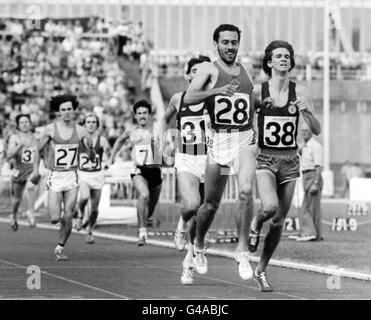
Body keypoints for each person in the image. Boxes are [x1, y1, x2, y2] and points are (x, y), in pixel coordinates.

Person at [184, 24, 257, 281]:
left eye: (234, 42)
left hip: (244, 139)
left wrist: (261, 104)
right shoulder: (208, 69)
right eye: (225, 42)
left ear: (239, 43)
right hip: (220, 142)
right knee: (211, 204)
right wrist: (216, 91)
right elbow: (189, 98)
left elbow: (247, 102)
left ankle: (243, 251)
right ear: (216, 44)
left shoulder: (245, 70)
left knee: (246, 191)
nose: (230, 47)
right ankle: (199, 245)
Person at [248, 40, 321, 292]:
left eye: (287, 56)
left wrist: (307, 113)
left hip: (290, 160)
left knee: (279, 222)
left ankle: (261, 270)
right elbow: (243, 122)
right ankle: (256, 224)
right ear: (269, 62)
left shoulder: (300, 92)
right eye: (278, 56)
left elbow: (317, 129)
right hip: (266, 158)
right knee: (269, 207)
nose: (283, 59)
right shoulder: (257, 91)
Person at [162, 55, 211, 285]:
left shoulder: (215, 99)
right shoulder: (178, 99)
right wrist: (166, 144)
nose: (200, 76)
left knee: (202, 216)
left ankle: (188, 264)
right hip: (187, 159)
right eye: (196, 72)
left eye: (205, 72)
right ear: (188, 75)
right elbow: (164, 121)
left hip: (211, 160)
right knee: (191, 206)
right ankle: (181, 224)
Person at [30, 94, 95, 261]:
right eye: (63, 110)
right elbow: (37, 150)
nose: (67, 112)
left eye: (69, 109)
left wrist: (91, 149)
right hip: (55, 177)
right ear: (58, 112)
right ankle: (64, 221)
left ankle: (60, 246)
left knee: (68, 214)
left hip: (72, 176)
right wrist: (36, 171)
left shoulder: (81, 131)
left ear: (74, 111)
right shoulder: (51, 130)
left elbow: (92, 157)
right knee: (54, 218)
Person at [109, 99, 162, 246]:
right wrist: (112, 157)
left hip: (155, 171)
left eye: (145, 113)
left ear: (149, 114)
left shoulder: (157, 129)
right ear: (135, 115)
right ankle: (142, 232)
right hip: (139, 170)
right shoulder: (131, 131)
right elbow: (119, 141)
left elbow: (168, 145)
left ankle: (146, 220)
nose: (142, 116)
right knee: (144, 194)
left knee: (150, 208)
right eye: (139, 113)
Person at [75, 112, 111, 244]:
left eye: (93, 122)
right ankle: (79, 215)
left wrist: (108, 155)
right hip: (83, 174)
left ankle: (89, 230)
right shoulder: (78, 139)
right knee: (84, 197)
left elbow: (108, 152)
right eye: (88, 122)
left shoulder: (102, 139)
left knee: (95, 209)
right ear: (84, 124)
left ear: (97, 125)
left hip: (97, 175)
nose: (91, 124)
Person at [291, 123, 323, 242]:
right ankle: (315, 234)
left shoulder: (315, 146)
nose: (304, 133)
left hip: (313, 175)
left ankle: (308, 233)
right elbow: (297, 151)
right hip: (305, 176)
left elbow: (319, 166)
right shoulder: (304, 146)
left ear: (311, 133)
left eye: (306, 131)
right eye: (302, 131)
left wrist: (316, 182)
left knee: (306, 207)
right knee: (312, 207)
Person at [6, 114, 38, 230]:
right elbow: (9, 155)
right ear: (18, 125)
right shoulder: (14, 138)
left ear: (30, 123)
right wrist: (19, 146)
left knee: (31, 187)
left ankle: (31, 214)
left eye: (26, 122)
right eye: (22, 122)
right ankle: (13, 216)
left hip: (31, 169)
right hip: (18, 171)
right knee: (17, 200)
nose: (24, 124)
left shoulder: (35, 137)